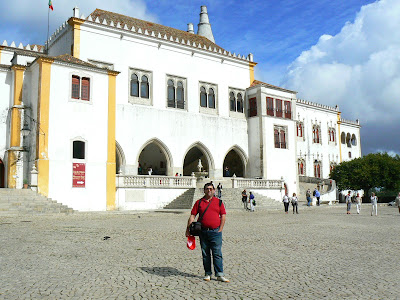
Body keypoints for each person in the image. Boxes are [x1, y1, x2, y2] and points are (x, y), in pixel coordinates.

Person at [185, 182, 229, 282]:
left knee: (217, 253)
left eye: (210, 189)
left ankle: (219, 274)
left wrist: (220, 228)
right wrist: (188, 229)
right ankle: (207, 273)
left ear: (214, 190)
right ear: (204, 190)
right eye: (207, 189)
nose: (209, 190)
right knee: (205, 254)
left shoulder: (219, 202)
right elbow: (192, 216)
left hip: (215, 231)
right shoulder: (199, 202)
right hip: (203, 231)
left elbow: (223, 216)